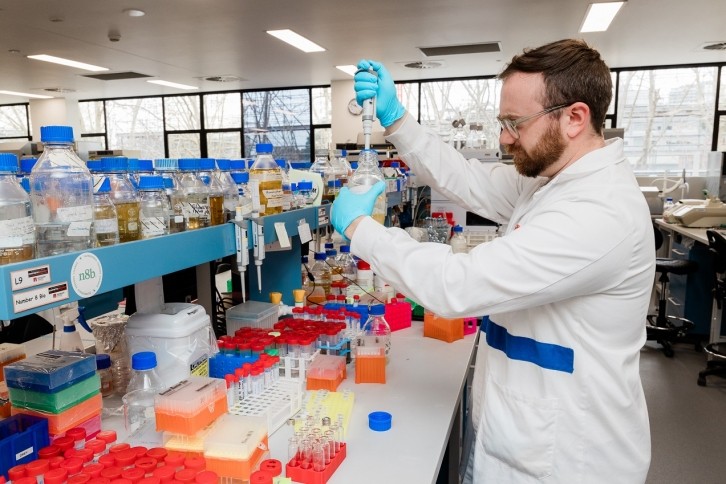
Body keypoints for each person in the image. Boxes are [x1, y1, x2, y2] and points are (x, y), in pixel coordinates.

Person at [331, 39, 654, 483]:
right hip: (522, 437)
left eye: (514, 123)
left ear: (575, 118)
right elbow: (466, 177)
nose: (504, 137)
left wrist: (360, 230)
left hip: (569, 459)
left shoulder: (601, 210)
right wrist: (397, 120)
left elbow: (458, 285)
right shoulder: (551, 181)